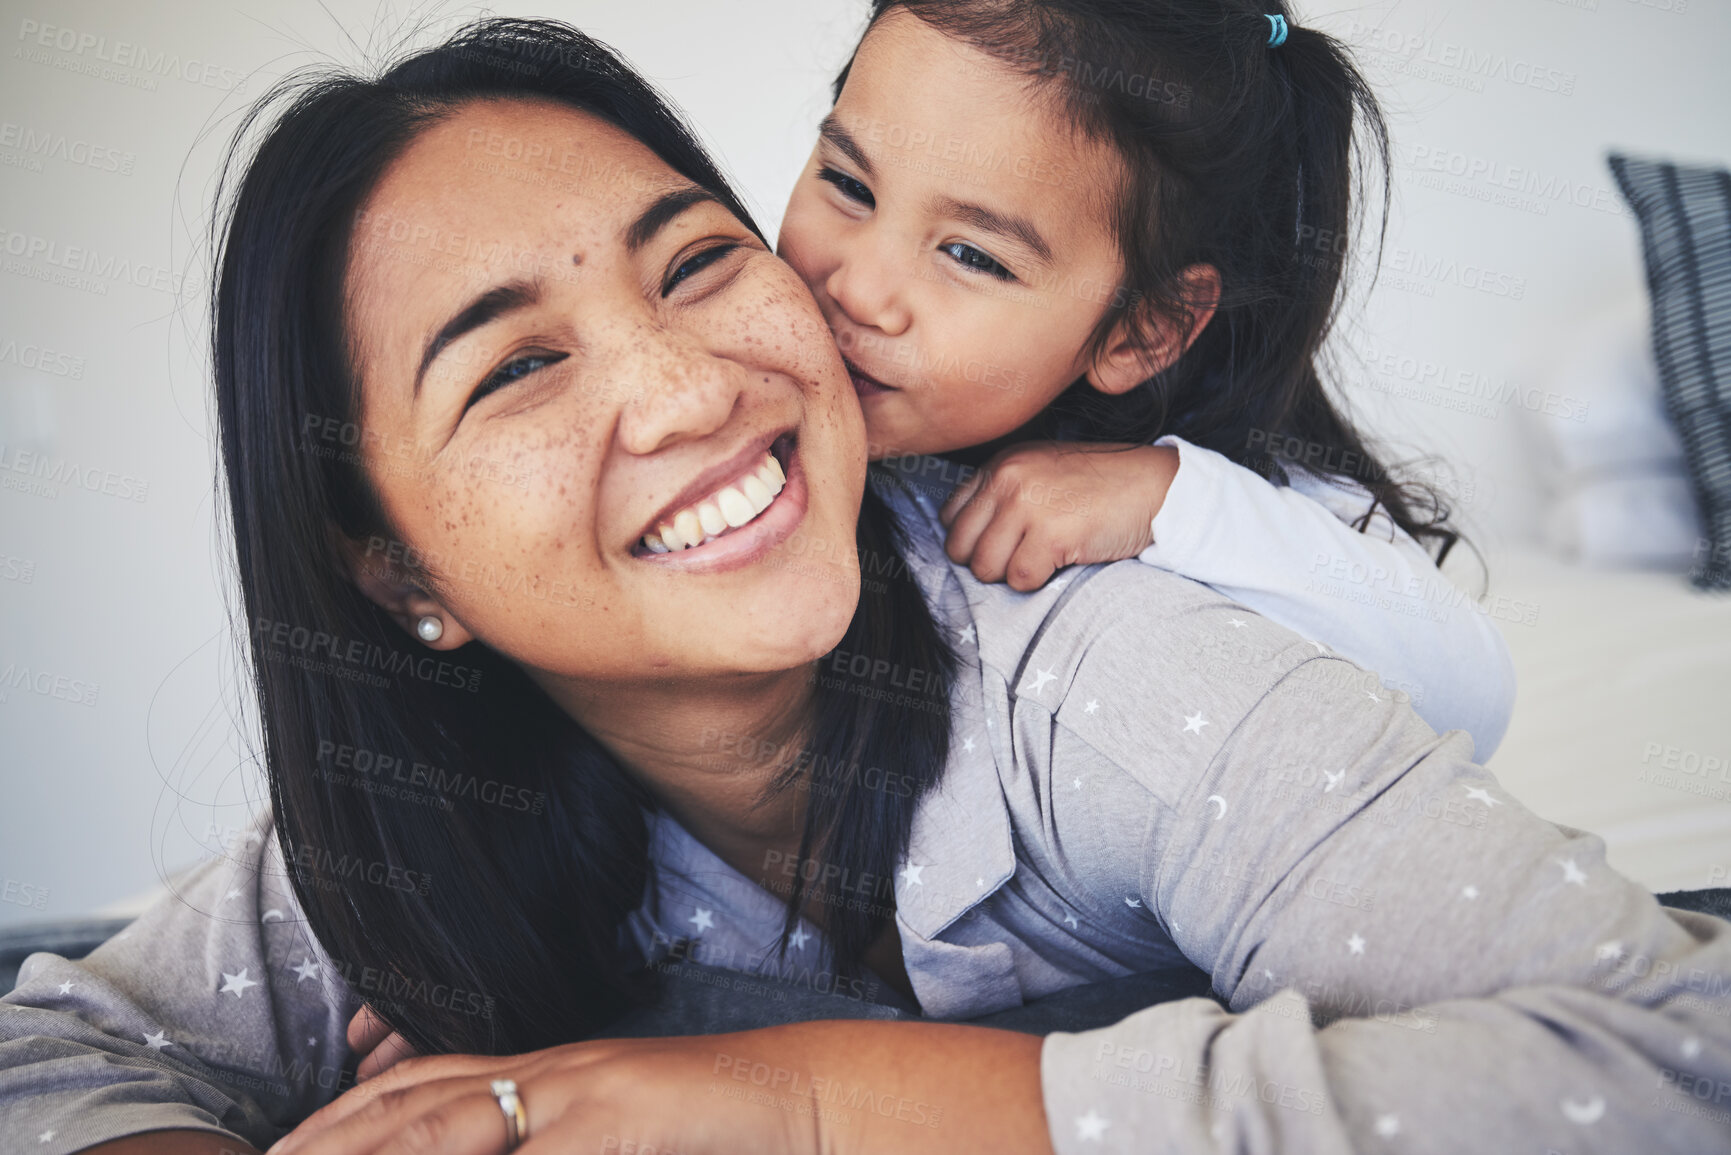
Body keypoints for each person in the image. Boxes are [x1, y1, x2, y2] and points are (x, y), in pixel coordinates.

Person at [0, 19, 1725, 1155]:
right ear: (394, 571)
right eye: (513, 370)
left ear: (1143, 328)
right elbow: (60, 1049)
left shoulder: (1112, 660)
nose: (690, 391)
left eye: (692, 263)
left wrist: (804, 1103)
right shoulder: (423, 800)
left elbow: (1670, 1061)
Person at [773, 0, 1515, 758]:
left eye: (972, 256)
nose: (858, 287)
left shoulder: (1242, 506)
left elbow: (1473, 697)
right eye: (849, 184)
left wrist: (1167, 498)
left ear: (1142, 329)